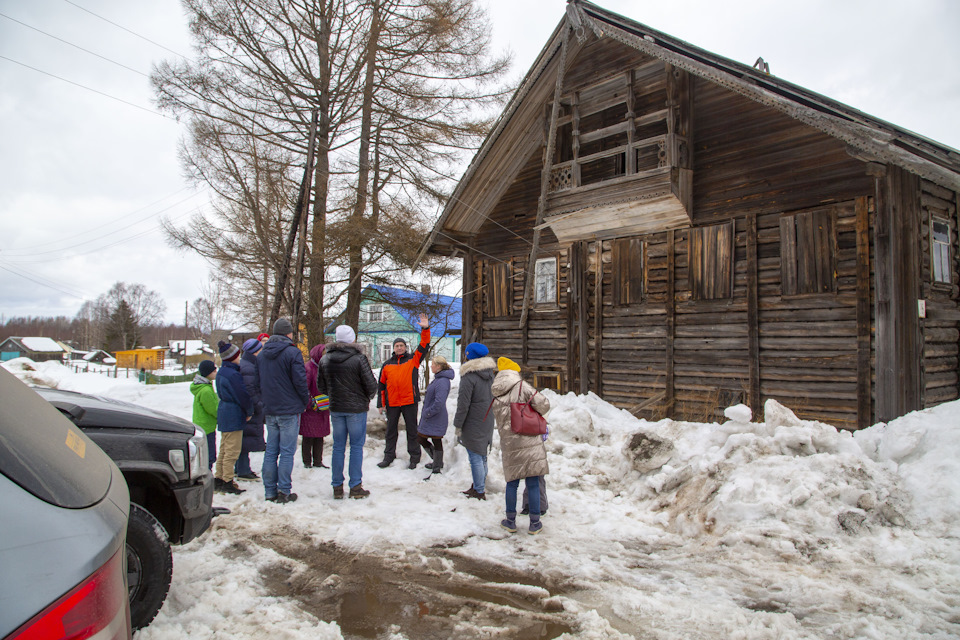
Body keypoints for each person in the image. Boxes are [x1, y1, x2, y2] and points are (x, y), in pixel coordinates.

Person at [490, 356, 550, 535]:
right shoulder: (522, 386)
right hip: (529, 438)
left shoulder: (496, 391)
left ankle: (510, 521)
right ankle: (534, 523)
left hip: (509, 442)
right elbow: (544, 404)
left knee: (512, 483)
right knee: (532, 482)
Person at [318, 324, 378, 499]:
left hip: (336, 408)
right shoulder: (359, 359)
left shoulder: (325, 360)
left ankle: (337, 487)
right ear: (352, 339)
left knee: (338, 447)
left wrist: (335, 394)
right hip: (356, 409)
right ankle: (355, 486)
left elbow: (321, 386)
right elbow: (371, 385)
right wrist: (365, 397)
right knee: (356, 447)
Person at [258, 318, 311, 504]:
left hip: (271, 409)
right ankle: (284, 491)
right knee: (287, 452)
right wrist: (306, 400)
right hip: (289, 409)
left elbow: (258, 382)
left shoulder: (262, 354)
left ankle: (269, 491)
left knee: (271, 451)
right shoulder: (292, 352)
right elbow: (300, 381)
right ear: (288, 333)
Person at [376, 314, 431, 469]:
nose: (399, 348)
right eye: (396, 346)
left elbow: (424, 344)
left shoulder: (413, 360)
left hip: (409, 401)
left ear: (405, 347)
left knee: (412, 431)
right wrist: (381, 403)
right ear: (393, 348)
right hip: (392, 403)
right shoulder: (387, 365)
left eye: (401, 345)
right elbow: (381, 386)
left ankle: (414, 457)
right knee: (391, 432)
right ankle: (388, 456)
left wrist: (425, 328)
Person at [453, 342, 497, 500]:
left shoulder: (469, 376)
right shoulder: (489, 373)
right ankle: (478, 485)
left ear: (469, 355)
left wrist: (458, 425)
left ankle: (479, 491)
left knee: (475, 455)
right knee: (482, 454)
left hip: (473, 421)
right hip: (487, 417)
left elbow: (463, 404)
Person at [214, 341, 252, 495]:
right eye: (238, 355)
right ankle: (228, 480)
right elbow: (242, 395)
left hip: (224, 412)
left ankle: (219, 477)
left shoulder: (222, 372)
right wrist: (249, 410)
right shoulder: (233, 374)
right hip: (233, 413)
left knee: (224, 447)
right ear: (232, 357)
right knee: (232, 449)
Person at [417, 355, 454, 474]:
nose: (431, 366)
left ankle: (437, 466)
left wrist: (428, 412)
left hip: (435, 416)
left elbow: (439, 401)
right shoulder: (439, 378)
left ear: (438, 366)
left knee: (435, 439)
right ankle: (437, 462)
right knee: (422, 438)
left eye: (432, 364)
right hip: (431, 416)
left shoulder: (442, 381)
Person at [235, 338, 266, 481]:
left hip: (247, 408)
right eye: (260, 349)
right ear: (254, 351)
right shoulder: (248, 367)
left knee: (244, 438)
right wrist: (259, 404)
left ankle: (241, 468)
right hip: (250, 409)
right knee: (244, 440)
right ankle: (243, 470)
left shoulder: (247, 364)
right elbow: (249, 389)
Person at [301, 343, 331, 468]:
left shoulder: (324, 367)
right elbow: (304, 388)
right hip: (311, 409)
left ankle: (318, 461)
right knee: (308, 436)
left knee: (319, 436)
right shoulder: (308, 368)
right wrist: (310, 403)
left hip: (322, 408)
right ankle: (307, 462)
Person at [190, 359, 218, 469]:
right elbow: (212, 409)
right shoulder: (205, 390)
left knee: (205, 454)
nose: (216, 371)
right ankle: (207, 475)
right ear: (208, 373)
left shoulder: (203, 387)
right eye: (214, 370)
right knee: (209, 455)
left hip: (202, 424)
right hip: (207, 426)